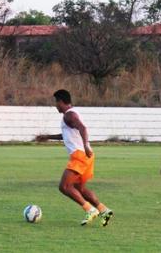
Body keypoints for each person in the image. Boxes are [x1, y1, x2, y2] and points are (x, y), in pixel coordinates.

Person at [36, 89, 113, 226]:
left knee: (64, 186)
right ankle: (104, 210)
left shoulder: (69, 115)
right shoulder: (72, 114)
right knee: (79, 188)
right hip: (86, 156)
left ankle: (90, 210)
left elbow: (83, 128)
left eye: (56, 102)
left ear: (61, 101)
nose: (55, 106)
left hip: (80, 155)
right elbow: (66, 134)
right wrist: (47, 137)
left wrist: (86, 146)